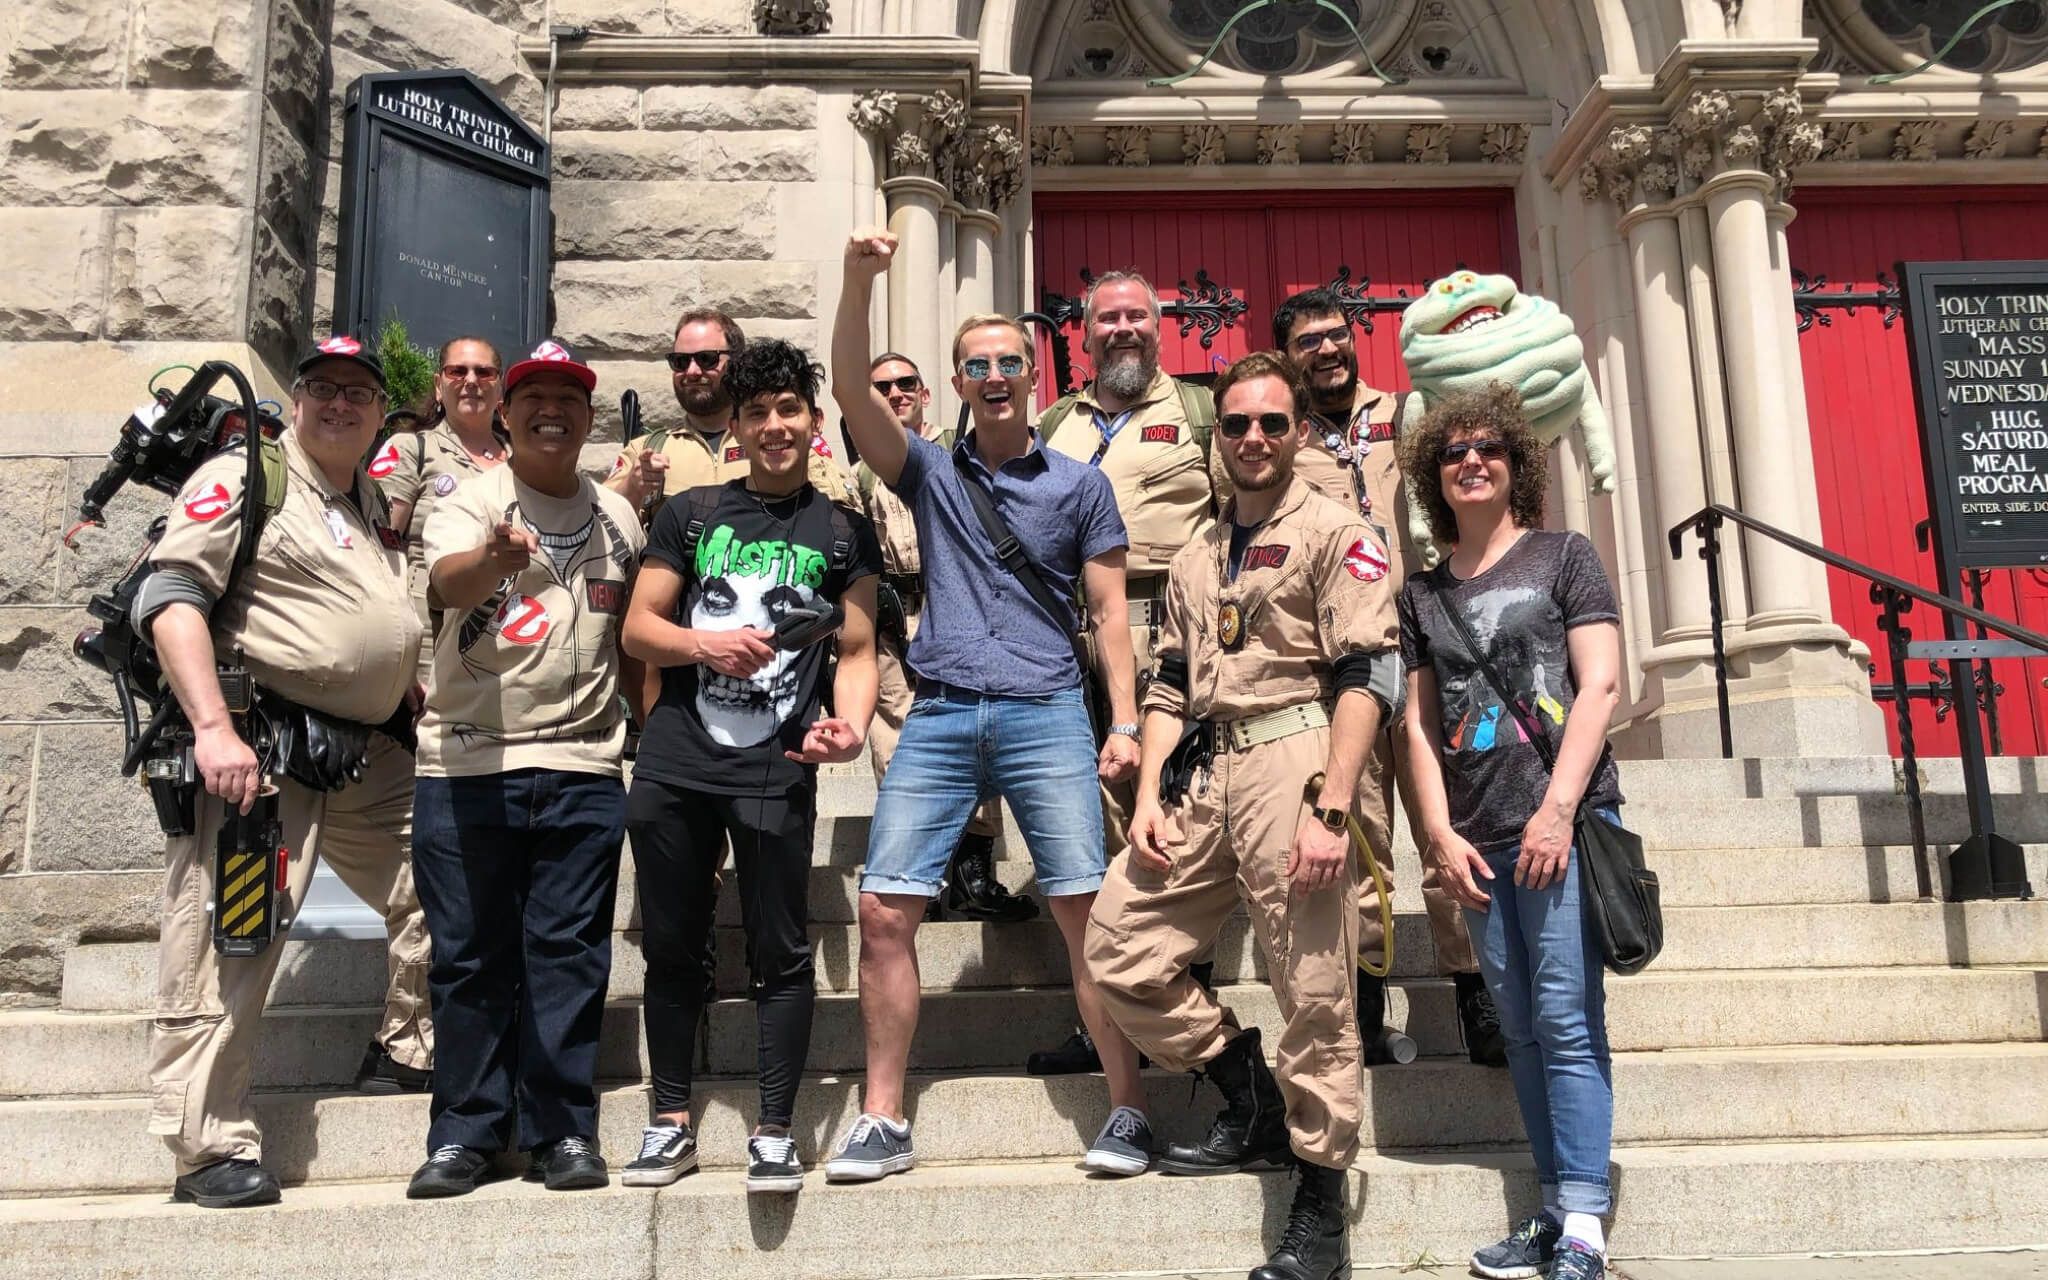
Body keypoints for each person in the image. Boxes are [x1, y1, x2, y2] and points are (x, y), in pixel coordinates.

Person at [824, 228, 1151, 1181]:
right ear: (958, 382)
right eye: (978, 365)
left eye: (1012, 361)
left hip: (1048, 707)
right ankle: (882, 1119)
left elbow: (1108, 614)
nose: (998, 376)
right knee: (885, 912)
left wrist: (1124, 723)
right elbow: (849, 392)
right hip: (940, 712)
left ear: (1033, 378)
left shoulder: (1081, 485)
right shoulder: (927, 470)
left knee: (1086, 911)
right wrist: (856, 283)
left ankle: (1127, 1107)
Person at [1087, 350, 1400, 1280]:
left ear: (1299, 431)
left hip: (1299, 758)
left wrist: (1333, 807)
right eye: (1236, 424)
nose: (1254, 438)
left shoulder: (1338, 532)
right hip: (1204, 770)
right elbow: (1172, 680)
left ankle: (1318, 1200)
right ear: (1215, 435)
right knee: (1118, 947)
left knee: (1311, 984)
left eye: (1272, 422)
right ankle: (1250, 1094)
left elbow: (1365, 673)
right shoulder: (1196, 549)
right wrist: (1146, 794)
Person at [132, 335, 431, 1207]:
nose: (342, 404)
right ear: (296, 400)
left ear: (382, 416)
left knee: (446, 877)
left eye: (360, 393)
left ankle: (411, 1045)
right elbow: (172, 595)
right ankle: (206, 1143)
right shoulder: (247, 475)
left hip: (369, 751)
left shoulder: (369, 499)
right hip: (259, 750)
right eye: (324, 388)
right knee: (234, 935)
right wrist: (213, 729)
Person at [617, 339, 881, 1196]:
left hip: (777, 761)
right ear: (734, 426)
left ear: (813, 422)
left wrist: (850, 724)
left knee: (781, 948)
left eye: (788, 411)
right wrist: (704, 641)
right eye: (757, 413)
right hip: (678, 757)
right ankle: (669, 1122)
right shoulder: (693, 513)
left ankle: (775, 1129)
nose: (774, 426)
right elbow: (638, 630)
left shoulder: (843, 531)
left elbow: (860, 646)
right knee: (671, 947)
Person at [403, 340, 647, 1199]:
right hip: (469, 766)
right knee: (469, 959)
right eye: (533, 396)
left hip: (584, 764)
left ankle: (561, 1130)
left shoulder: (620, 518)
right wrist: (496, 560)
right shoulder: (469, 501)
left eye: (570, 397)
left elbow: (637, 637)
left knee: (569, 954)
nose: (554, 410)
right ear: (503, 415)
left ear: (588, 416)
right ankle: (464, 1132)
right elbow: (446, 580)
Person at [1397, 383, 1625, 1280]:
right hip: (1480, 837)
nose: (1472, 461)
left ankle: (1583, 1223)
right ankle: (1552, 1200)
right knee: (1522, 1027)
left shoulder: (1566, 556)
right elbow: (1416, 725)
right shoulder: (1421, 594)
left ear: (1516, 461)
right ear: (1434, 475)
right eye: (1453, 452)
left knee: (1567, 1019)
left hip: (1559, 825)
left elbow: (1601, 685)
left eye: (1488, 446)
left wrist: (1559, 810)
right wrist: (1437, 835)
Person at [1271, 286, 1505, 1067]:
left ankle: (1480, 1000)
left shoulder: (1414, 416)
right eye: (1309, 342)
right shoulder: (1279, 439)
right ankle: (1367, 1012)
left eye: (1337, 335)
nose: (1328, 351)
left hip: (1433, 644)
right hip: (1346, 659)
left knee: (1454, 824)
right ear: (1290, 355)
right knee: (1366, 839)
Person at [1027, 269, 1230, 1077]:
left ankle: (1186, 999)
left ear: (1159, 327)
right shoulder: (1050, 423)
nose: (1121, 330)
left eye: (1135, 317)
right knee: (1097, 823)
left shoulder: (1201, 413)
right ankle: (1105, 1016)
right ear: (1081, 333)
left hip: (1174, 633)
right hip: (1074, 642)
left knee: (1177, 817)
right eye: (1105, 318)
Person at [858, 351, 1032, 923]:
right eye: (881, 387)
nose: (895, 394)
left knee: (977, 733)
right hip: (894, 619)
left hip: (962, 617)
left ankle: (973, 872)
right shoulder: (864, 466)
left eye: (907, 383)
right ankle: (920, 875)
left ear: (929, 391)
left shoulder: (958, 453)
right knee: (897, 745)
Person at [607, 307, 858, 515]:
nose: (692, 371)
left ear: (737, 361)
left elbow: (839, 519)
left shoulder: (784, 440)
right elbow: (593, 523)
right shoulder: (646, 450)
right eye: (681, 361)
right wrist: (632, 487)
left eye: (707, 359)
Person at [371, 335, 510, 680]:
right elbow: (375, 553)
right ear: (438, 385)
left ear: (500, 388)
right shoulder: (411, 450)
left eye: (485, 373)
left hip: (511, 640)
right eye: (457, 371)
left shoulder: (524, 462)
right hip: (430, 644)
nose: (472, 382)